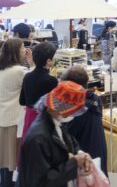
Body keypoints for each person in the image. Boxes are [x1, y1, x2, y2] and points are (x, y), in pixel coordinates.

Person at [17, 81, 93, 187]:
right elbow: (41, 181)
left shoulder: (55, 122)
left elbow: (68, 142)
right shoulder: (38, 137)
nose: (73, 116)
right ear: (62, 110)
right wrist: (74, 163)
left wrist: (81, 154)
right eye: (72, 112)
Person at [61, 66, 108, 176]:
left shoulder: (78, 111)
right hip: (97, 155)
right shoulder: (95, 99)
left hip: (87, 161)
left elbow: (66, 137)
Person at [0, 39, 31, 187]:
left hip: (3, 119)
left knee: (4, 163)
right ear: (15, 51)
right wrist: (32, 63)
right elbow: (34, 83)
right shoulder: (20, 71)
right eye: (22, 46)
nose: (25, 49)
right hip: (15, 121)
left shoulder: (2, 69)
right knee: (13, 163)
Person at [19, 42, 58, 140]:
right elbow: (55, 106)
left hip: (29, 118)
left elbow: (22, 101)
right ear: (49, 61)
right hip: (43, 121)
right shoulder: (52, 80)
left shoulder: (27, 76)